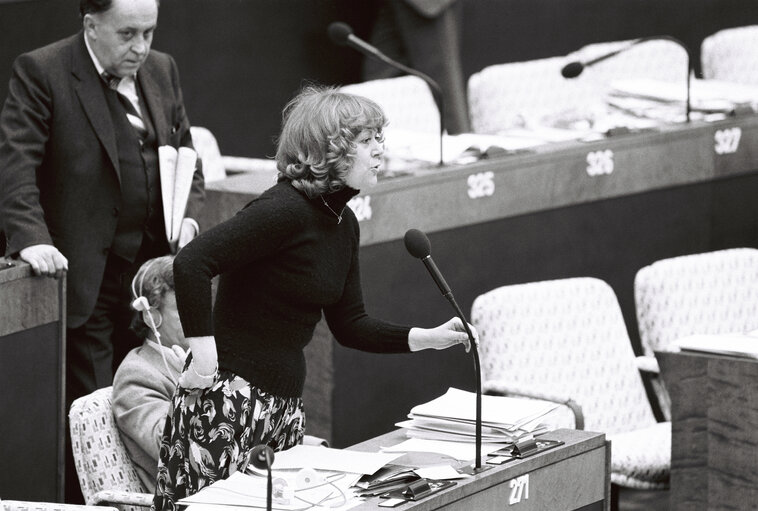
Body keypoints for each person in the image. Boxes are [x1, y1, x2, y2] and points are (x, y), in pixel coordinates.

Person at [152, 86, 477, 509]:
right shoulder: (283, 210)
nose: (381, 150)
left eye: (380, 138)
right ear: (329, 151)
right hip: (226, 402)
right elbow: (192, 262)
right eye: (367, 141)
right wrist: (205, 353)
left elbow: (350, 324)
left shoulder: (342, 224)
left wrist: (426, 337)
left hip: (282, 407)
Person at [0, 0, 204, 501]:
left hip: (151, 278)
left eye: (149, 33)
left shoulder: (162, 68)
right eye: (127, 34)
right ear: (90, 25)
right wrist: (32, 237)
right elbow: (15, 165)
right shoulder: (42, 70)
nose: (141, 47)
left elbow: (187, 154)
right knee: (94, 406)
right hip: (83, 271)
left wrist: (191, 214)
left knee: (159, 389)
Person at [112, 255, 188, 494]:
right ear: (151, 316)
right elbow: (169, 446)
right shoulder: (136, 375)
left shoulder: (201, 357)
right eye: (185, 309)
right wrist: (196, 386)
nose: (200, 317)